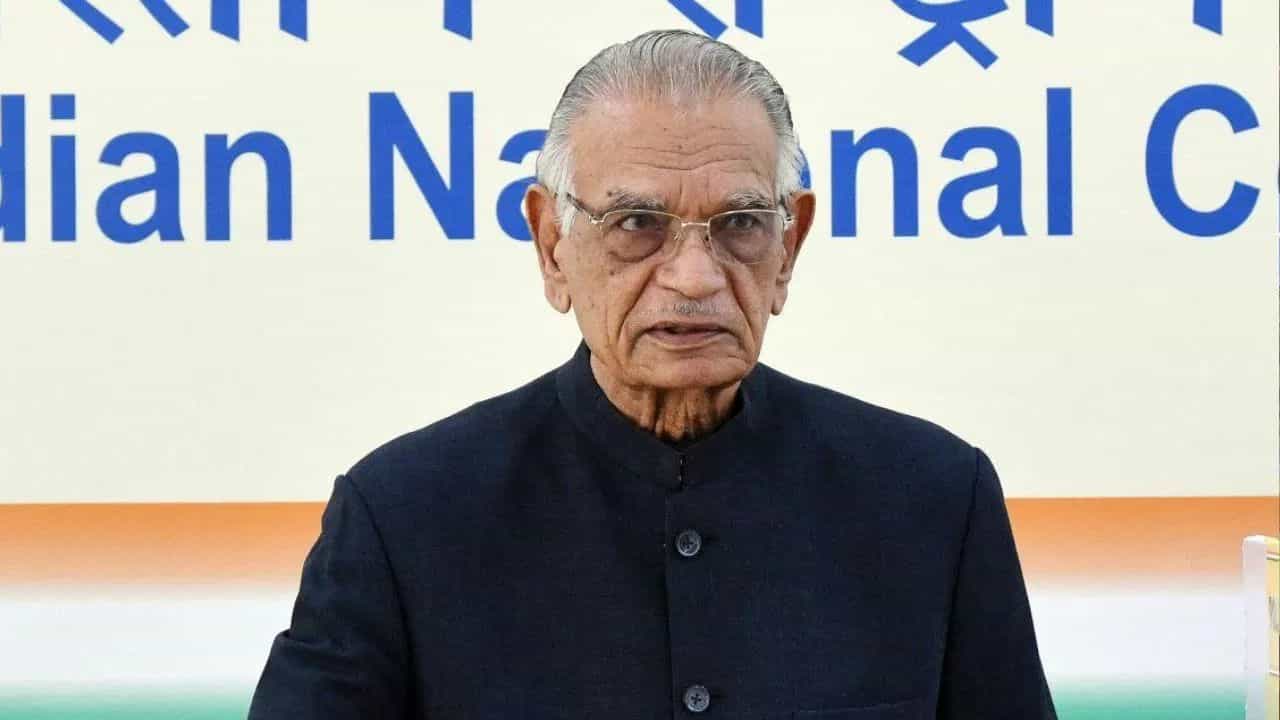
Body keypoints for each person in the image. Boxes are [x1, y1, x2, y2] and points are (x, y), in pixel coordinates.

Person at [248, 29, 1057, 719]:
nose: (694, 277)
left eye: (740, 223)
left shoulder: (933, 498)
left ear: (788, 248)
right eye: (637, 223)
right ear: (551, 245)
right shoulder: (405, 516)